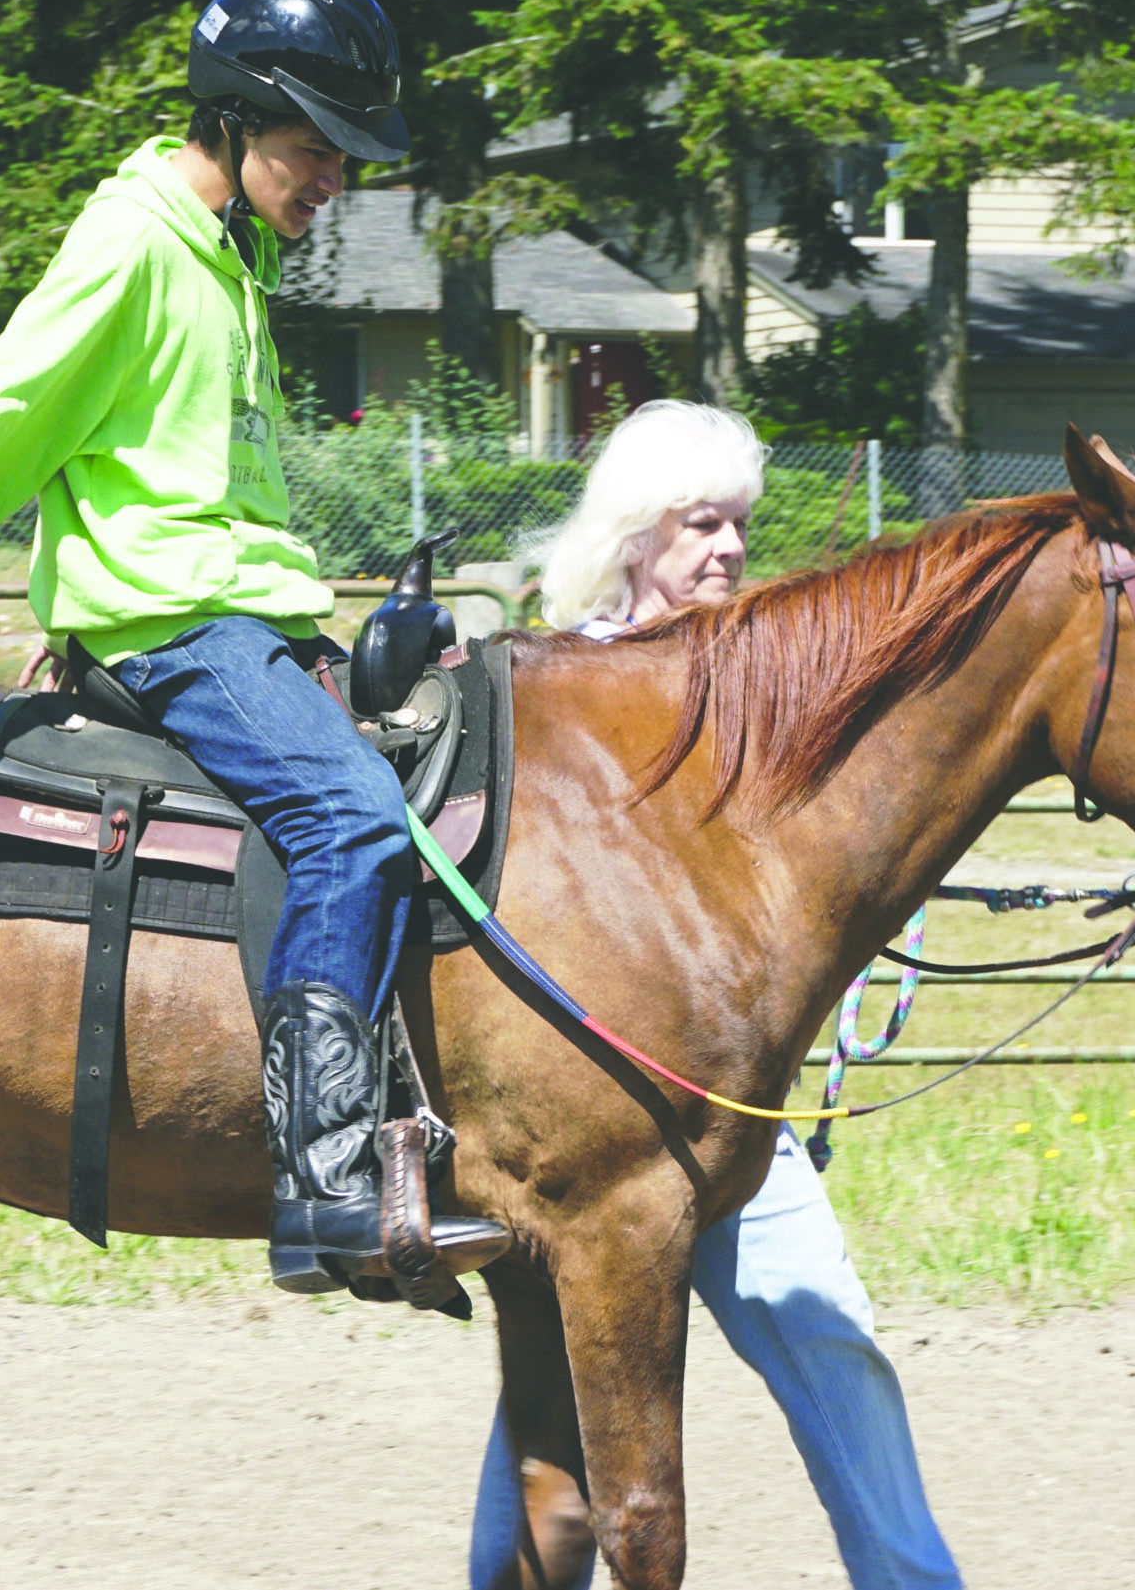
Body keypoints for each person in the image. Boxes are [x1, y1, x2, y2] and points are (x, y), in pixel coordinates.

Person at [0, 0, 506, 1295]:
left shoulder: (229, 255)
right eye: (315, 150)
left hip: (232, 614)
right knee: (354, 819)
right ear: (238, 124)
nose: (333, 183)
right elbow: (3, 412)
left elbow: (171, 471)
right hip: (180, 627)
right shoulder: (133, 241)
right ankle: (328, 1176)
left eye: (344, 159)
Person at [468, 400, 961, 1590]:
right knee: (558, 1406)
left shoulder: (761, 683)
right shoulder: (561, 682)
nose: (730, 548)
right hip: (585, 1112)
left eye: (739, 523)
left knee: (824, 1335)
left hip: (719, 1103)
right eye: (701, 524)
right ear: (637, 533)